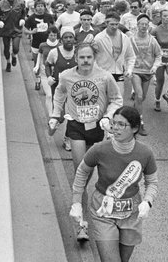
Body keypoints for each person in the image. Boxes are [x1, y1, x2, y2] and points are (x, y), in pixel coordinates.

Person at [70, 106, 157, 262]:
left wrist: (147, 202)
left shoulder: (145, 153)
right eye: (113, 123)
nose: (115, 128)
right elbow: (81, 173)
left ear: (134, 129)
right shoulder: (100, 149)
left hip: (131, 212)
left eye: (121, 124)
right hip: (103, 210)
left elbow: (152, 182)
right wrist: (76, 202)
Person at [50, 43, 123, 243]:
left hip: (99, 127)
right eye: (81, 57)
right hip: (76, 126)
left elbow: (117, 99)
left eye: (89, 57)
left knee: (96, 174)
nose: (85, 61)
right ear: (76, 58)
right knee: (80, 171)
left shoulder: (105, 76)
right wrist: (56, 115)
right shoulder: (66, 76)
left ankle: (105, 212)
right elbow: (59, 94)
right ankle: (81, 223)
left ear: (94, 58)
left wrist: (108, 116)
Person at [0, 0, 26, 72]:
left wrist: (22, 19)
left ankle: (14, 55)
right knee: (6, 48)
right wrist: (0, 21)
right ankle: (8, 62)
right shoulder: (1, 4)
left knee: (16, 47)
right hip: (5, 29)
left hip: (16, 28)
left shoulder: (21, 3)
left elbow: (23, 13)